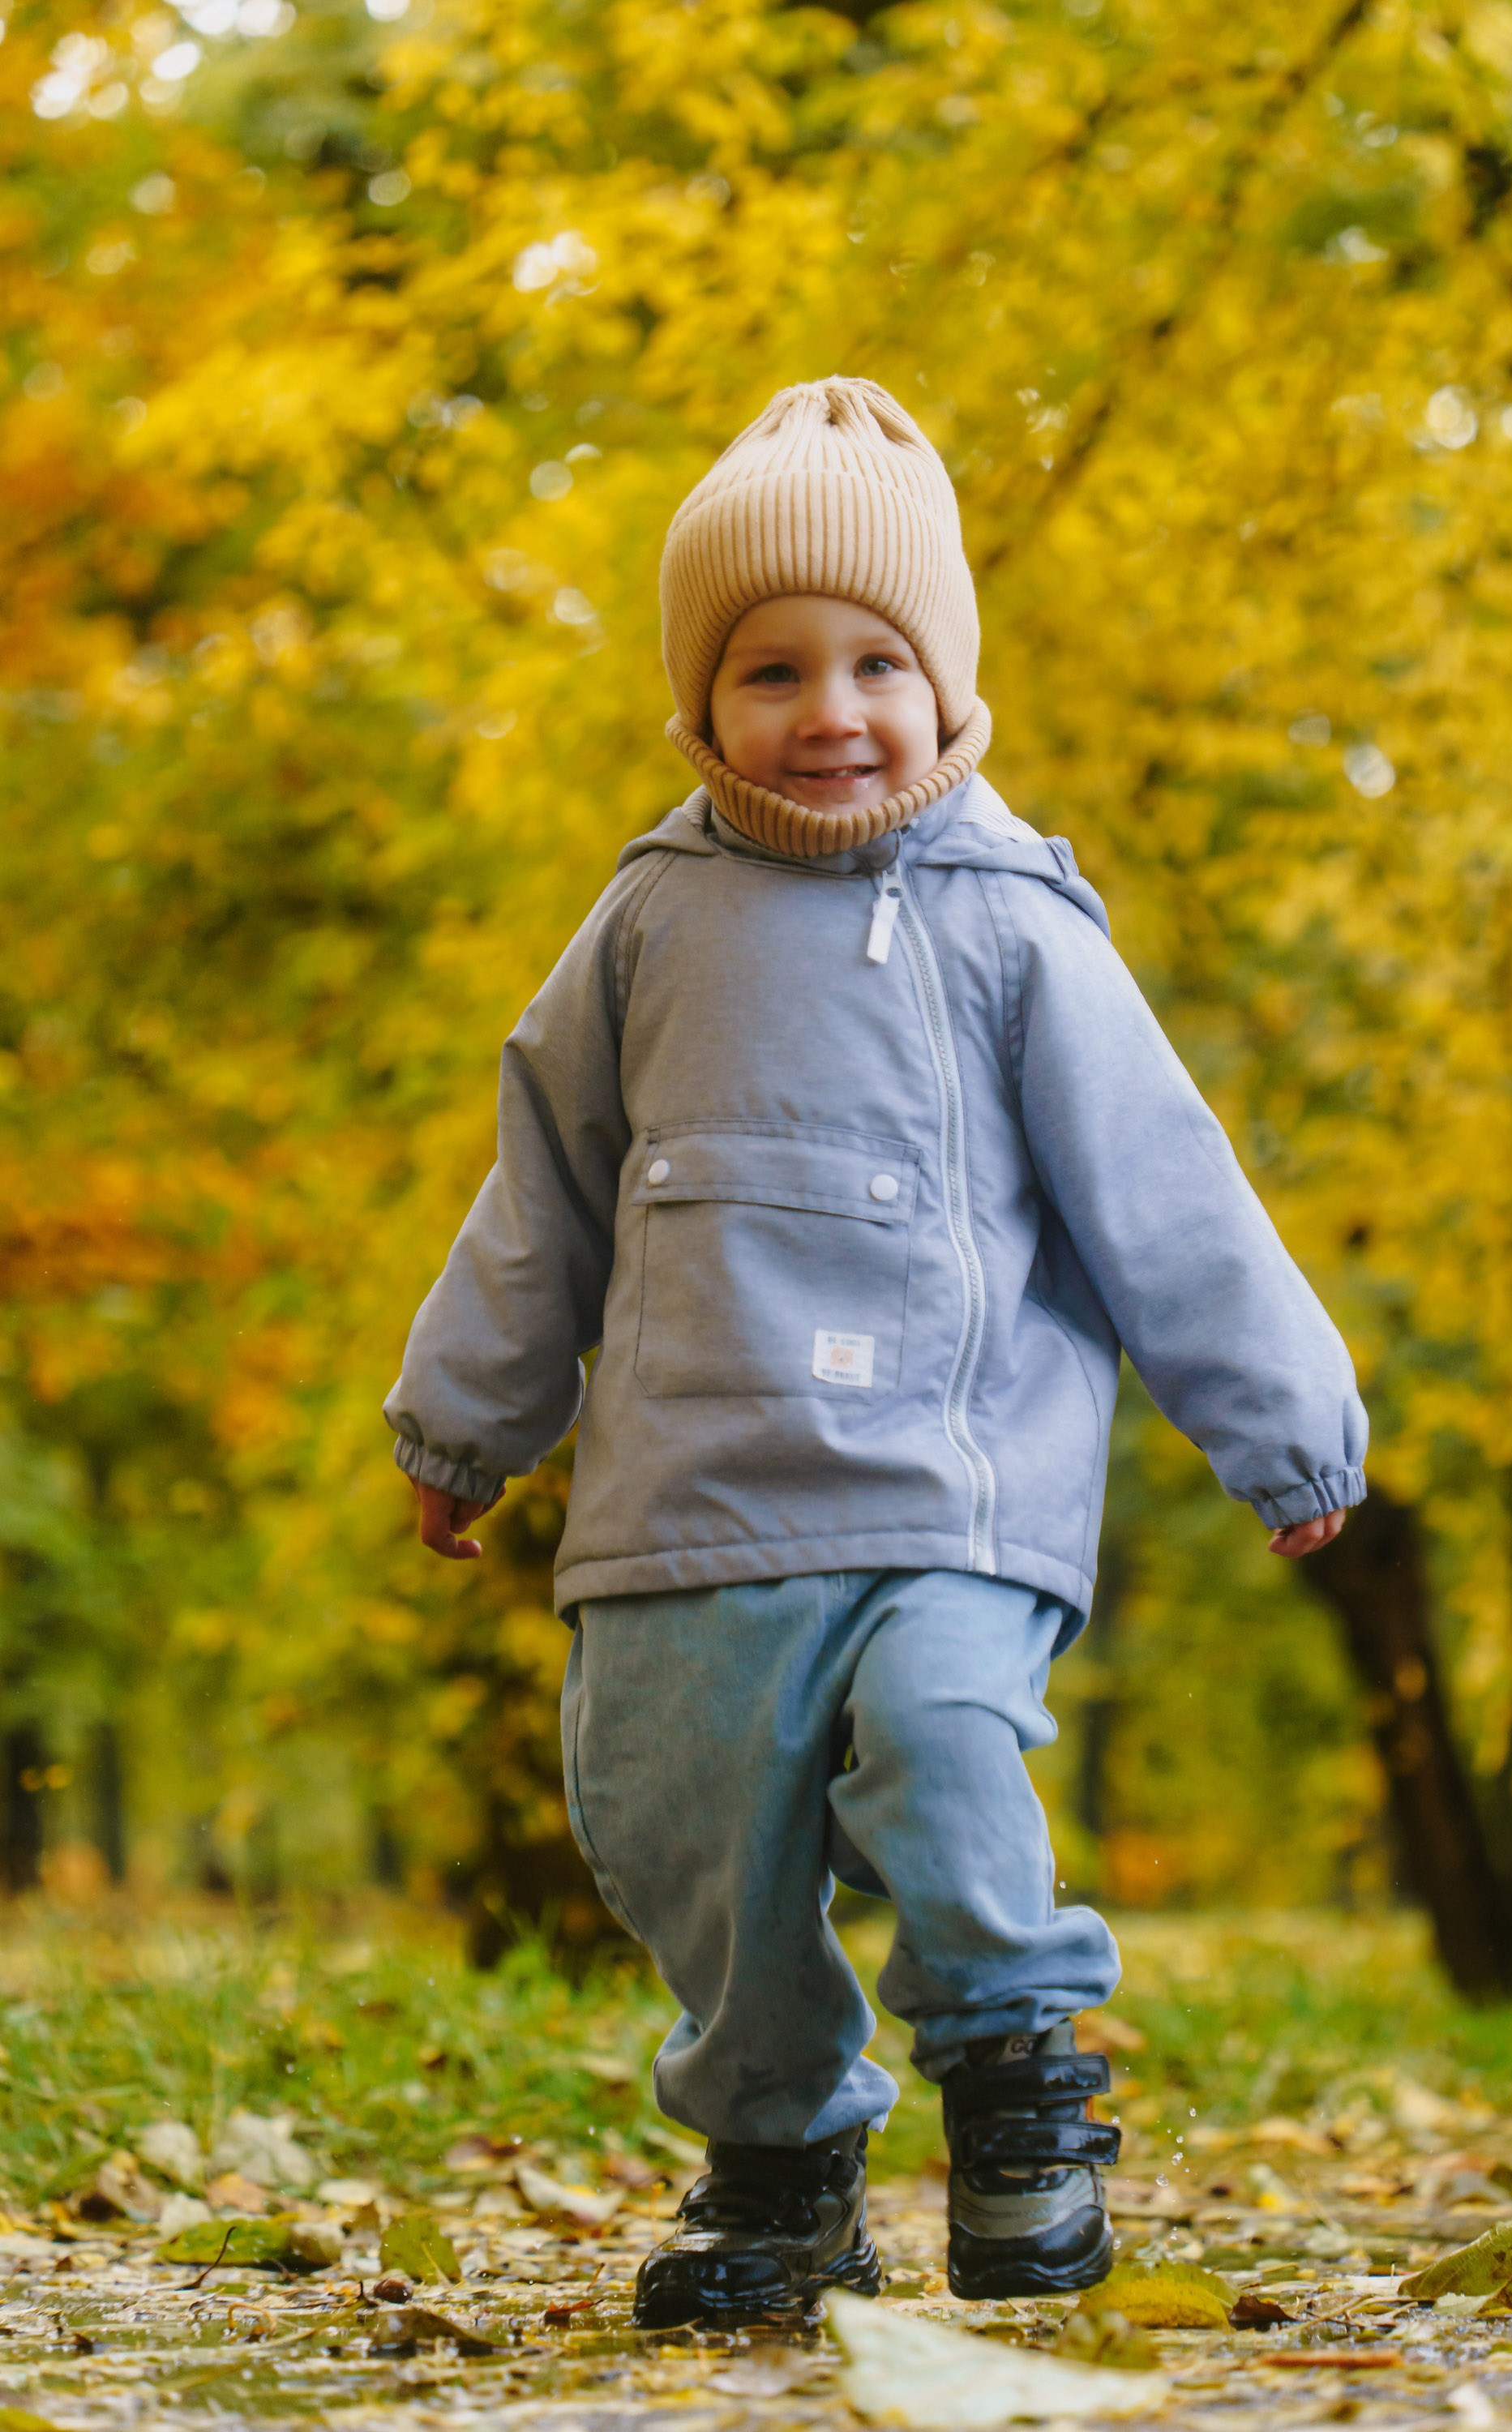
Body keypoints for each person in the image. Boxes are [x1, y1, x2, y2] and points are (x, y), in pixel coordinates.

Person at [385, 377, 1367, 2326]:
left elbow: (1164, 1191)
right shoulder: (646, 923)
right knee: (690, 1838)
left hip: (951, 1487)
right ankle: (777, 2160)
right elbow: (542, 1196)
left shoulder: (1016, 925)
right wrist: (465, 1421)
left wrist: (1287, 1433)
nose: (827, 711)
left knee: (939, 1743)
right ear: (696, 700)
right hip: (688, 1498)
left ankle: (1016, 2091)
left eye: (873, 663)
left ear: (947, 687)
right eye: (768, 670)